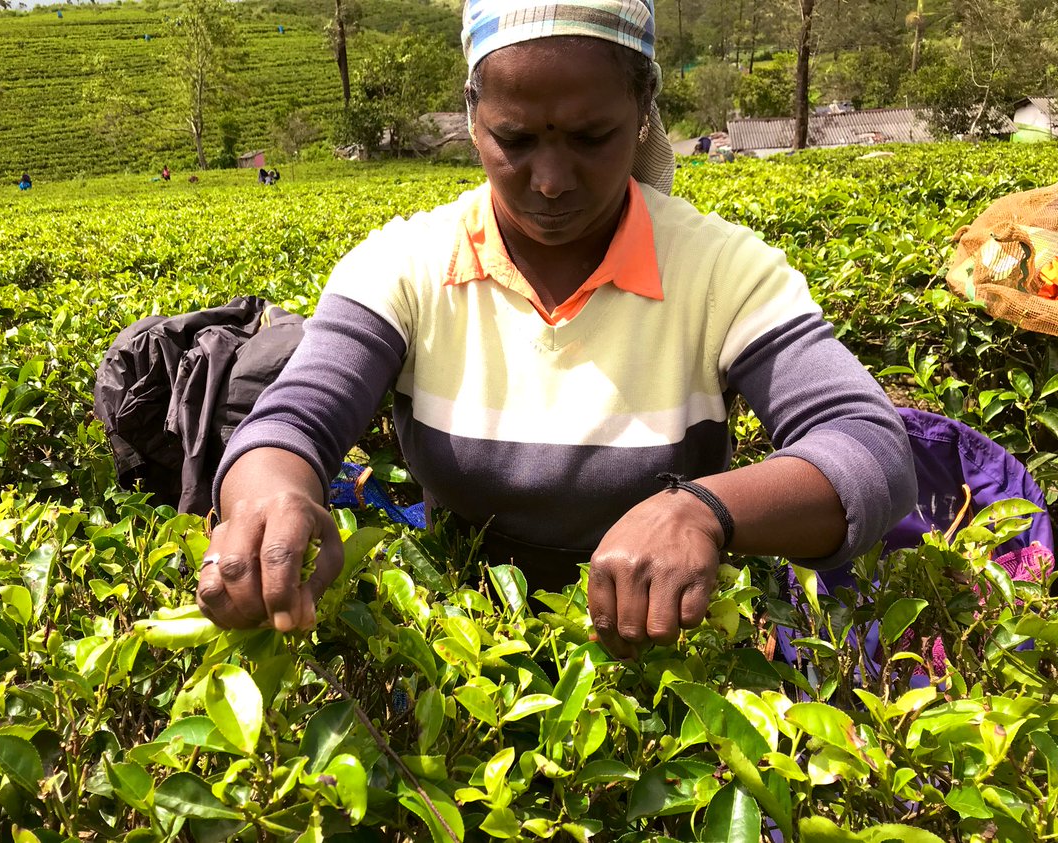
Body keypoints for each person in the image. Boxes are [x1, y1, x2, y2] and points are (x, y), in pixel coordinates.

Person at [196, 0, 916, 660]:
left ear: (641, 112)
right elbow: (294, 419)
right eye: (514, 139)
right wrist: (270, 495)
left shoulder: (721, 270)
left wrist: (704, 511)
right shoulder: (404, 267)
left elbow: (870, 446)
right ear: (473, 118)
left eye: (590, 137)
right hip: (466, 660)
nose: (549, 180)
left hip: (667, 664)